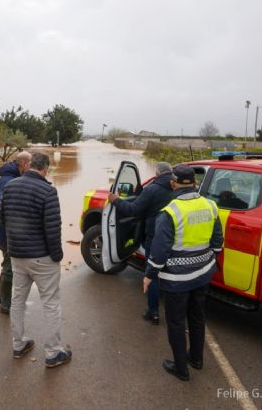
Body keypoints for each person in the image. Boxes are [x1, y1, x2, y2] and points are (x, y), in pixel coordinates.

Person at [144, 163, 223, 381]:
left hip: (176, 280)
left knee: (176, 322)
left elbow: (159, 251)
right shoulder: (211, 205)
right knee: (197, 316)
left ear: (173, 183)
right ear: (195, 182)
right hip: (203, 273)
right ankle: (196, 359)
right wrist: (209, 258)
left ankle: (181, 368)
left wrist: (149, 275)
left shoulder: (170, 212)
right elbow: (218, 241)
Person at [0, 152, 72, 368]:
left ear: (30, 165)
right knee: (50, 304)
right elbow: (53, 229)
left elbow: (3, 218)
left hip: (16, 255)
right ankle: (53, 353)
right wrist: (57, 256)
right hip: (42, 259)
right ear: (45, 169)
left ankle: (18, 344)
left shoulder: (9, 186)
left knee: (17, 300)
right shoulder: (48, 191)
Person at [107, 162, 177, 325]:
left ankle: (153, 312)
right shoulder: (179, 188)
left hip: (155, 238)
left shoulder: (151, 189)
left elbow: (132, 210)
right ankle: (175, 313)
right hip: (177, 238)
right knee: (173, 276)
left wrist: (116, 200)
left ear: (157, 174)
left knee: (152, 274)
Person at [0, 151, 32, 314]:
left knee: (6, 264)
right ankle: (6, 305)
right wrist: (13, 232)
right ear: (24, 164)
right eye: (30, 164)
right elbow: (5, 209)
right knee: (9, 267)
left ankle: (1, 298)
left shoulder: (9, 177)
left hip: (2, 231)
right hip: (6, 233)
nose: (31, 168)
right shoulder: (8, 181)